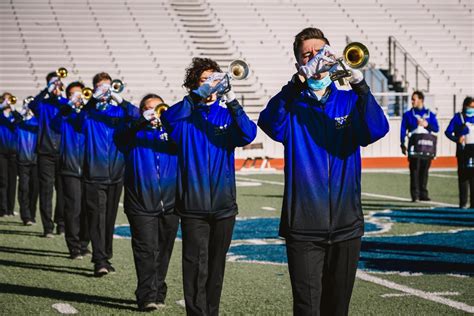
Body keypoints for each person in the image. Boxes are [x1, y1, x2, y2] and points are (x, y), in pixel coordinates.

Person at [258, 27, 389, 316]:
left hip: (346, 225)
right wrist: (297, 82)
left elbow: (377, 129)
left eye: (321, 52)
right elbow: (267, 122)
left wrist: (360, 86)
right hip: (303, 227)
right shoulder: (291, 106)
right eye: (308, 55)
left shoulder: (348, 100)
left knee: (337, 308)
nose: (316, 58)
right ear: (299, 64)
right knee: (307, 308)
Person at [162, 57, 257, 316]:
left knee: (216, 266)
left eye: (214, 80)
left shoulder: (226, 113)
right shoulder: (183, 117)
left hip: (224, 206)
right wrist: (195, 98)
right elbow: (167, 120)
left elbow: (248, 134)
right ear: (194, 84)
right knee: (194, 265)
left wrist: (233, 100)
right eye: (204, 80)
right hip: (192, 206)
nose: (210, 85)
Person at [117, 93, 179, 311]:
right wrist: (142, 120)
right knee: (146, 251)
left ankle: (158, 290)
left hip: (171, 204)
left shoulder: (172, 134)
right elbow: (120, 137)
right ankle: (146, 296)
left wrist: (170, 122)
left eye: (157, 108)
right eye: (149, 108)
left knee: (164, 251)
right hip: (140, 204)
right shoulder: (133, 134)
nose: (154, 112)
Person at [82, 72, 138, 277]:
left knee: (109, 218)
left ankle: (105, 256)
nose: (105, 90)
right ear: (95, 88)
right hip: (94, 173)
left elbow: (137, 116)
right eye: (101, 87)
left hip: (116, 173)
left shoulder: (119, 113)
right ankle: (99, 260)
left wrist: (119, 99)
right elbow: (76, 121)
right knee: (97, 218)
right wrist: (91, 101)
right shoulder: (88, 114)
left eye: (108, 86)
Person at [55, 81, 90, 259]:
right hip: (69, 169)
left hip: (89, 169)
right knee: (73, 209)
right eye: (73, 94)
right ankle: (74, 246)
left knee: (87, 210)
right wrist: (68, 106)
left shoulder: (88, 114)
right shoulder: (64, 116)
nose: (77, 97)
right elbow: (54, 124)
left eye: (79, 94)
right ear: (68, 96)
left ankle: (84, 243)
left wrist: (85, 106)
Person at [28, 72, 66, 237]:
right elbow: (32, 105)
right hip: (45, 153)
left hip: (64, 153)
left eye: (58, 83)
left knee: (63, 191)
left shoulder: (65, 103)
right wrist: (47, 89)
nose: (56, 86)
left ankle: (61, 224)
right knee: (46, 191)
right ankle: (47, 227)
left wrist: (60, 95)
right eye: (53, 83)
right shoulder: (42, 104)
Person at [400, 91, 439, 202]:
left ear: (421, 100)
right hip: (414, 147)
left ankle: (423, 193)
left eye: (414, 99)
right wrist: (402, 143)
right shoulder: (408, 115)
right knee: (414, 170)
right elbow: (403, 130)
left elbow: (436, 129)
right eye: (412, 99)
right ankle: (415, 195)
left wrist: (428, 125)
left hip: (427, 147)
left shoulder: (430, 114)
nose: (412, 101)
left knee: (425, 171)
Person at [445, 96, 474, 208]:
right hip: (463, 151)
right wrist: (457, 139)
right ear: (465, 106)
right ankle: (463, 203)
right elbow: (448, 132)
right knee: (463, 177)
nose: (472, 109)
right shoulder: (458, 117)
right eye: (470, 107)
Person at [16, 98, 39, 225]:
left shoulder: (37, 122)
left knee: (34, 189)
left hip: (36, 161)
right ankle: (26, 216)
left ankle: (32, 214)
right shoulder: (19, 122)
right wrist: (22, 113)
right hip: (22, 160)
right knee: (24, 188)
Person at [0, 92, 21, 217]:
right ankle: (2, 209)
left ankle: (10, 208)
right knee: (3, 181)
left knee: (12, 182)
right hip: (1, 152)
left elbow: (20, 119)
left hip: (13, 153)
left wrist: (13, 108)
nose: (8, 102)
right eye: (6, 100)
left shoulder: (14, 115)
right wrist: (2, 106)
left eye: (10, 99)